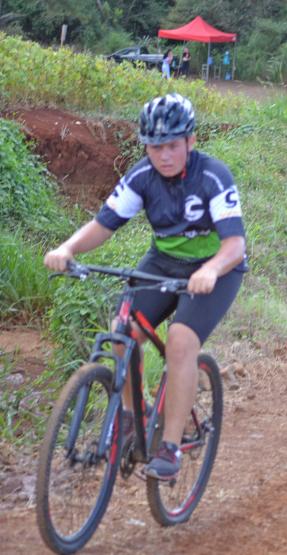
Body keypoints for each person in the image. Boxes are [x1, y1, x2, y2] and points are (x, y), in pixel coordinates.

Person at [44, 93, 247, 481]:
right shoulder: (142, 176)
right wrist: (68, 247)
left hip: (215, 269)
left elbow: (235, 246)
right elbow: (104, 224)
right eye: (155, 147)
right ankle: (134, 417)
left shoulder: (213, 176)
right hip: (163, 264)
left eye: (172, 145)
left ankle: (170, 447)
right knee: (123, 334)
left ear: (191, 141)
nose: (163, 155)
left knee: (181, 341)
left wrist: (210, 270)